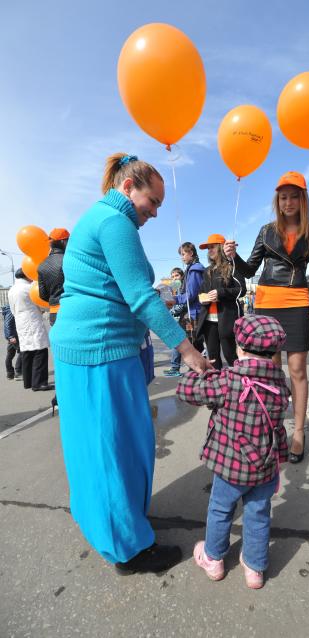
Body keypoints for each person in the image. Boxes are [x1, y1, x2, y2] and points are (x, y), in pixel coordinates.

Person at [49, 153, 212, 575]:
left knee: (102, 446)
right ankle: (127, 549)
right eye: (152, 202)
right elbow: (140, 297)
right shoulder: (114, 222)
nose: (155, 212)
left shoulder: (103, 217)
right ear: (128, 187)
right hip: (98, 350)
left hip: (92, 349)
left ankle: (117, 522)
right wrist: (187, 350)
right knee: (115, 449)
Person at [223, 171, 309, 463]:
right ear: (277, 201)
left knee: (297, 370)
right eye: (283, 197)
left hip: (297, 301)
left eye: (293, 196)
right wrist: (232, 257)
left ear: (302, 199)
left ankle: (299, 433)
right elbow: (249, 270)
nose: (288, 202)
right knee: (270, 370)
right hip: (267, 302)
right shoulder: (267, 231)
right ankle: (271, 426)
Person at [176, 315, 290, 589]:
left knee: (220, 509)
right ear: (275, 351)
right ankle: (255, 567)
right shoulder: (280, 384)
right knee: (259, 513)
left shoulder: (227, 380)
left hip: (230, 467)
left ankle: (214, 558)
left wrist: (199, 371)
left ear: (239, 348)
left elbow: (185, 391)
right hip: (264, 467)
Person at [196, 233, 246, 369]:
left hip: (227, 318)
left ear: (221, 248)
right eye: (208, 248)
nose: (210, 250)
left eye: (212, 247)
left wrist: (221, 293)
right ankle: (215, 383)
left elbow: (242, 290)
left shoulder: (232, 266)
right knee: (212, 356)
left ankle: (238, 381)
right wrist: (203, 298)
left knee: (230, 354)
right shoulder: (207, 271)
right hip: (208, 320)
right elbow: (200, 292)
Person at [8, 269, 52, 391]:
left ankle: (28, 382)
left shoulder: (12, 290)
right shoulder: (28, 288)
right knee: (40, 351)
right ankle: (39, 383)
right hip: (32, 321)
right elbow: (41, 304)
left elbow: (12, 310)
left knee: (27, 352)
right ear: (27, 276)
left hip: (20, 322)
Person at [173, 242, 205, 353]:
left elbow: (190, 295)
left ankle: (198, 369)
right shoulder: (191, 269)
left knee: (194, 345)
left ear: (191, 253)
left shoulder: (194, 270)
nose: (182, 258)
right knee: (194, 344)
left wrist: (175, 299)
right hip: (192, 312)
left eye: (183, 254)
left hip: (194, 313)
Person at [37, 228, 70, 326]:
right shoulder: (69, 260)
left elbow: (42, 295)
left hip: (54, 314)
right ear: (63, 241)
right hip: (70, 311)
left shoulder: (41, 265)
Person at [163, 267, 186, 377]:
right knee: (177, 344)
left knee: (185, 344)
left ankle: (176, 367)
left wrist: (171, 310)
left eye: (176, 276)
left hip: (184, 319)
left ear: (182, 276)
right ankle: (175, 367)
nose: (174, 278)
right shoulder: (173, 289)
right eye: (172, 276)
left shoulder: (184, 287)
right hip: (176, 320)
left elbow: (181, 305)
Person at [2, 304, 22, 380]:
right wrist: (11, 337)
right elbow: (8, 324)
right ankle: (18, 371)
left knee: (10, 354)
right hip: (13, 336)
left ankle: (10, 374)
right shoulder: (11, 309)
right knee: (23, 351)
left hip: (12, 335)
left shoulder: (9, 309)